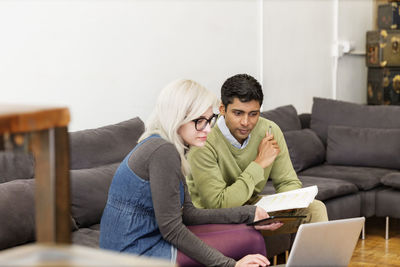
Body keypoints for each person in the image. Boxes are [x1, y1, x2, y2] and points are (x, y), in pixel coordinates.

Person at [99, 79, 283, 267]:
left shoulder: (168, 146)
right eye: (199, 122)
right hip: (134, 252)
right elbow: (171, 230)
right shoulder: (163, 151)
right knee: (252, 240)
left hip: (145, 241)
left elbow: (188, 214)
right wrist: (229, 265)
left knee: (248, 232)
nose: (208, 129)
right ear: (177, 118)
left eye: (209, 120)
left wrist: (248, 214)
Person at [186, 74, 328, 232]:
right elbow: (219, 204)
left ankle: (319, 258)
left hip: (251, 208)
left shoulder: (269, 130)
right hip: (214, 215)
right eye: (238, 113)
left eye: (253, 114)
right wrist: (259, 164)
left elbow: (287, 182)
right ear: (222, 109)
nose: (246, 122)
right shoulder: (203, 139)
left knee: (314, 209)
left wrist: (289, 205)